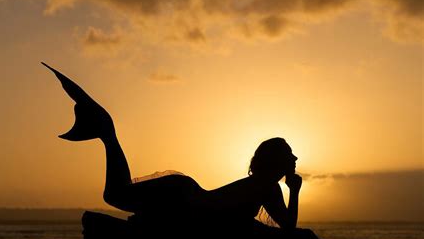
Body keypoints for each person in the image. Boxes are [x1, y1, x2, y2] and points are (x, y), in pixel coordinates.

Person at [42, 63, 302, 229]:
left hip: (184, 196)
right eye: (290, 154)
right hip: (184, 199)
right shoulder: (267, 185)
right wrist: (295, 190)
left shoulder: (261, 184)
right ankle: (107, 130)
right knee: (115, 195)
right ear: (276, 160)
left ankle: (106, 131)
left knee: (117, 194)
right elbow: (288, 227)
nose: (295, 158)